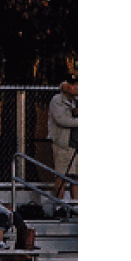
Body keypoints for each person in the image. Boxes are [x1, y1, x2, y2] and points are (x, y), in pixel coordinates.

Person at [48, 75, 78, 204]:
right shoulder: (57, 100)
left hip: (77, 144)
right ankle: (58, 206)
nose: (74, 87)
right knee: (62, 176)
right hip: (63, 144)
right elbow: (62, 120)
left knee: (77, 177)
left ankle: (76, 205)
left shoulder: (77, 100)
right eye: (71, 84)